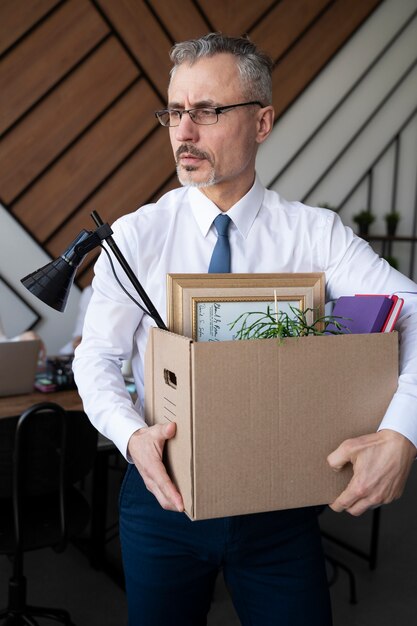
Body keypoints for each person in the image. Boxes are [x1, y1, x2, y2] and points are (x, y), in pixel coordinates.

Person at [73, 33, 417, 626]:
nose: (184, 133)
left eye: (207, 111)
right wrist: (132, 437)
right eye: (175, 112)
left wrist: (403, 433)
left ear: (262, 122)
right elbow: (96, 358)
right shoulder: (135, 236)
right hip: (162, 497)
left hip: (279, 503)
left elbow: (411, 312)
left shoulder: (317, 236)